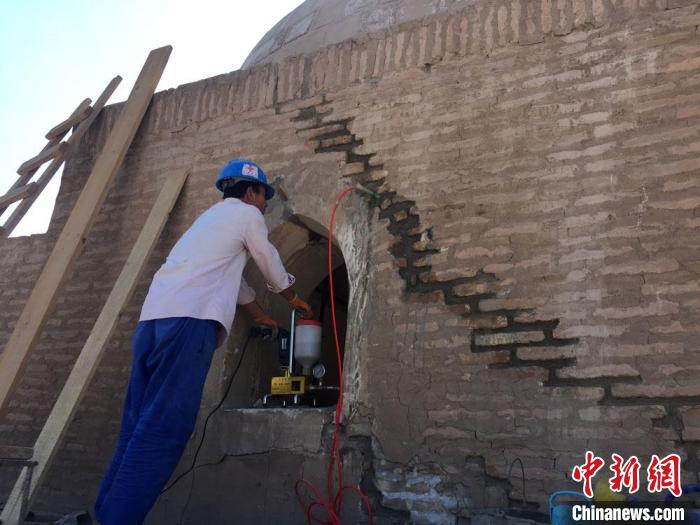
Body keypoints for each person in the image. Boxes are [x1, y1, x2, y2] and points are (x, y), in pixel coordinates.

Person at [94, 159, 313, 525]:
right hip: (188, 325)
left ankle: (106, 512)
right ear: (249, 191)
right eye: (264, 196)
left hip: (151, 324)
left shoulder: (207, 222)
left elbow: (231, 280)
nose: (265, 205)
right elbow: (267, 258)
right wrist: (291, 296)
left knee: (137, 423)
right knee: (165, 427)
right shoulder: (247, 216)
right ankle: (119, 520)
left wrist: (260, 315)